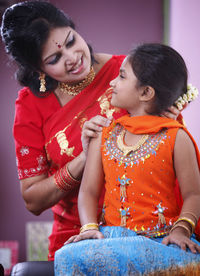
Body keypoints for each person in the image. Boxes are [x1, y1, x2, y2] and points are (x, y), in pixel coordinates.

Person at [1, 0, 179, 263]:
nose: (72, 58)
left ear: (74, 28)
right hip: (79, 236)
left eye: (71, 41)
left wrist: (169, 125)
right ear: (38, 69)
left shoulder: (132, 74)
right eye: (55, 59)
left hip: (150, 228)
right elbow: (33, 199)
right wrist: (84, 158)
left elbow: (175, 156)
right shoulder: (31, 105)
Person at [55, 44, 200, 275]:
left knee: (188, 261)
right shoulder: (103, 135)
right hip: (112, 239)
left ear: (146, 93)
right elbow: (88, 192)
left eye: (122, 76)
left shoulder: (176, 136)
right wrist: (89, 228)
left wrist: (181, 230)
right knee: (66, 256)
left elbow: (194, 194)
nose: (112, 83)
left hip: (160, 240)